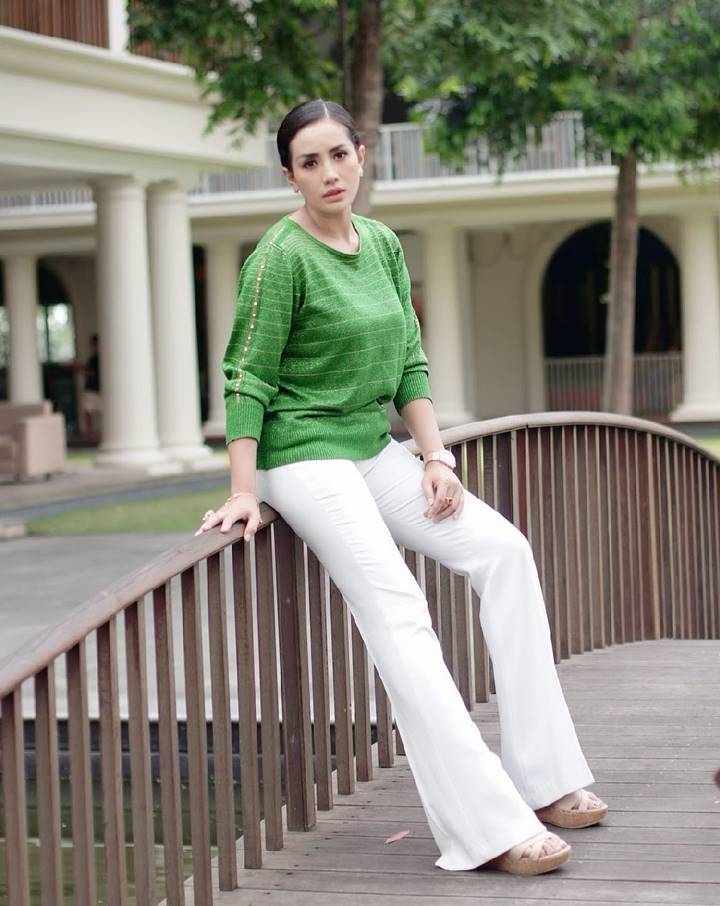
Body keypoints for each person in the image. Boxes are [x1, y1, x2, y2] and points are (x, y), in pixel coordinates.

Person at [196, 99, 607, 876]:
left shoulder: (381, 244)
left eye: (338, 155)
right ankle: (487, 828)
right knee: (400, 609)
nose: (329, 173)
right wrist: (244, 488)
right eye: (309, 162)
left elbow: (410, 361)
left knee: (504, 550)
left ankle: (546, 779)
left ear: (361, 155)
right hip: (302, 456)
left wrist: (435, 456)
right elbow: (246, 377)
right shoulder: (278, 257)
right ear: (290, 176)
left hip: (371, 447)